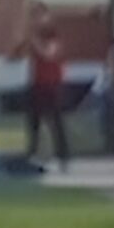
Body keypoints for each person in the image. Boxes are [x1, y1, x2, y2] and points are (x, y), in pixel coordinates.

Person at [20, 14, 71, 168]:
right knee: (33, 122)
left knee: (55, 122)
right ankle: (32, 152)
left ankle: (63, 155)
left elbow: (47, 54)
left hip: (52, 86)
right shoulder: (36, 40)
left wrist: (34, 41)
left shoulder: (54, 40)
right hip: (38, 85)